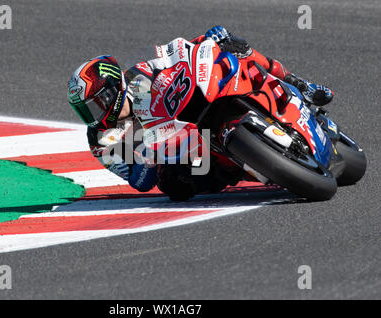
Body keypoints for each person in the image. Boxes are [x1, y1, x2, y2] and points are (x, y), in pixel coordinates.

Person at [67, 25, 334, 199]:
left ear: (113, 88)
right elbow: (138, 182)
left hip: (190, 109)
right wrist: (146, 157)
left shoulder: (140, 74)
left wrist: (205, 40)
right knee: (173, 186)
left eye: (95, 105)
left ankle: (299, 84)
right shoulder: (102, 139)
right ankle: (241, 165)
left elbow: (173, 52)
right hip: (184, 155)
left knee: (230, 45)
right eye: (86, 111)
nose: (94, 116)